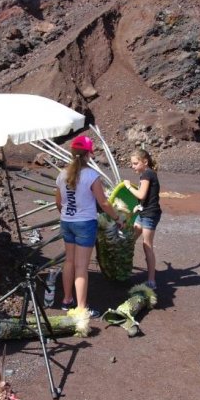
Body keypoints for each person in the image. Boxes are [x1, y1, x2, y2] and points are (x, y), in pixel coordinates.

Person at [55, 136, 123, 318]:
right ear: (88, 155)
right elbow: (103, 202)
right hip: (85, 224)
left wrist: (68, 215)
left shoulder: (62, 175)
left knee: (69, 261)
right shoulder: (91, 175)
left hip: (67, 222)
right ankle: (82, 308)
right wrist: (117, 218)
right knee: (81, 267)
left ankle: (67, 300)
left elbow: (59, 202)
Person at [123, 148, 162, 289]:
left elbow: (141, 195)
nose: (132, 166)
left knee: (147, 246)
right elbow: (148, 197)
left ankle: (151, 281)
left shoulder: (147, 174)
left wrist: (128, 187)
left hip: (150, 215)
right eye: (132, 163)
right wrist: (139, 206)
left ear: (145, 162)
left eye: (135, 163)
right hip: (143, 212)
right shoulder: (147, 173)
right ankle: (124, 269)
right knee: (130, 240)